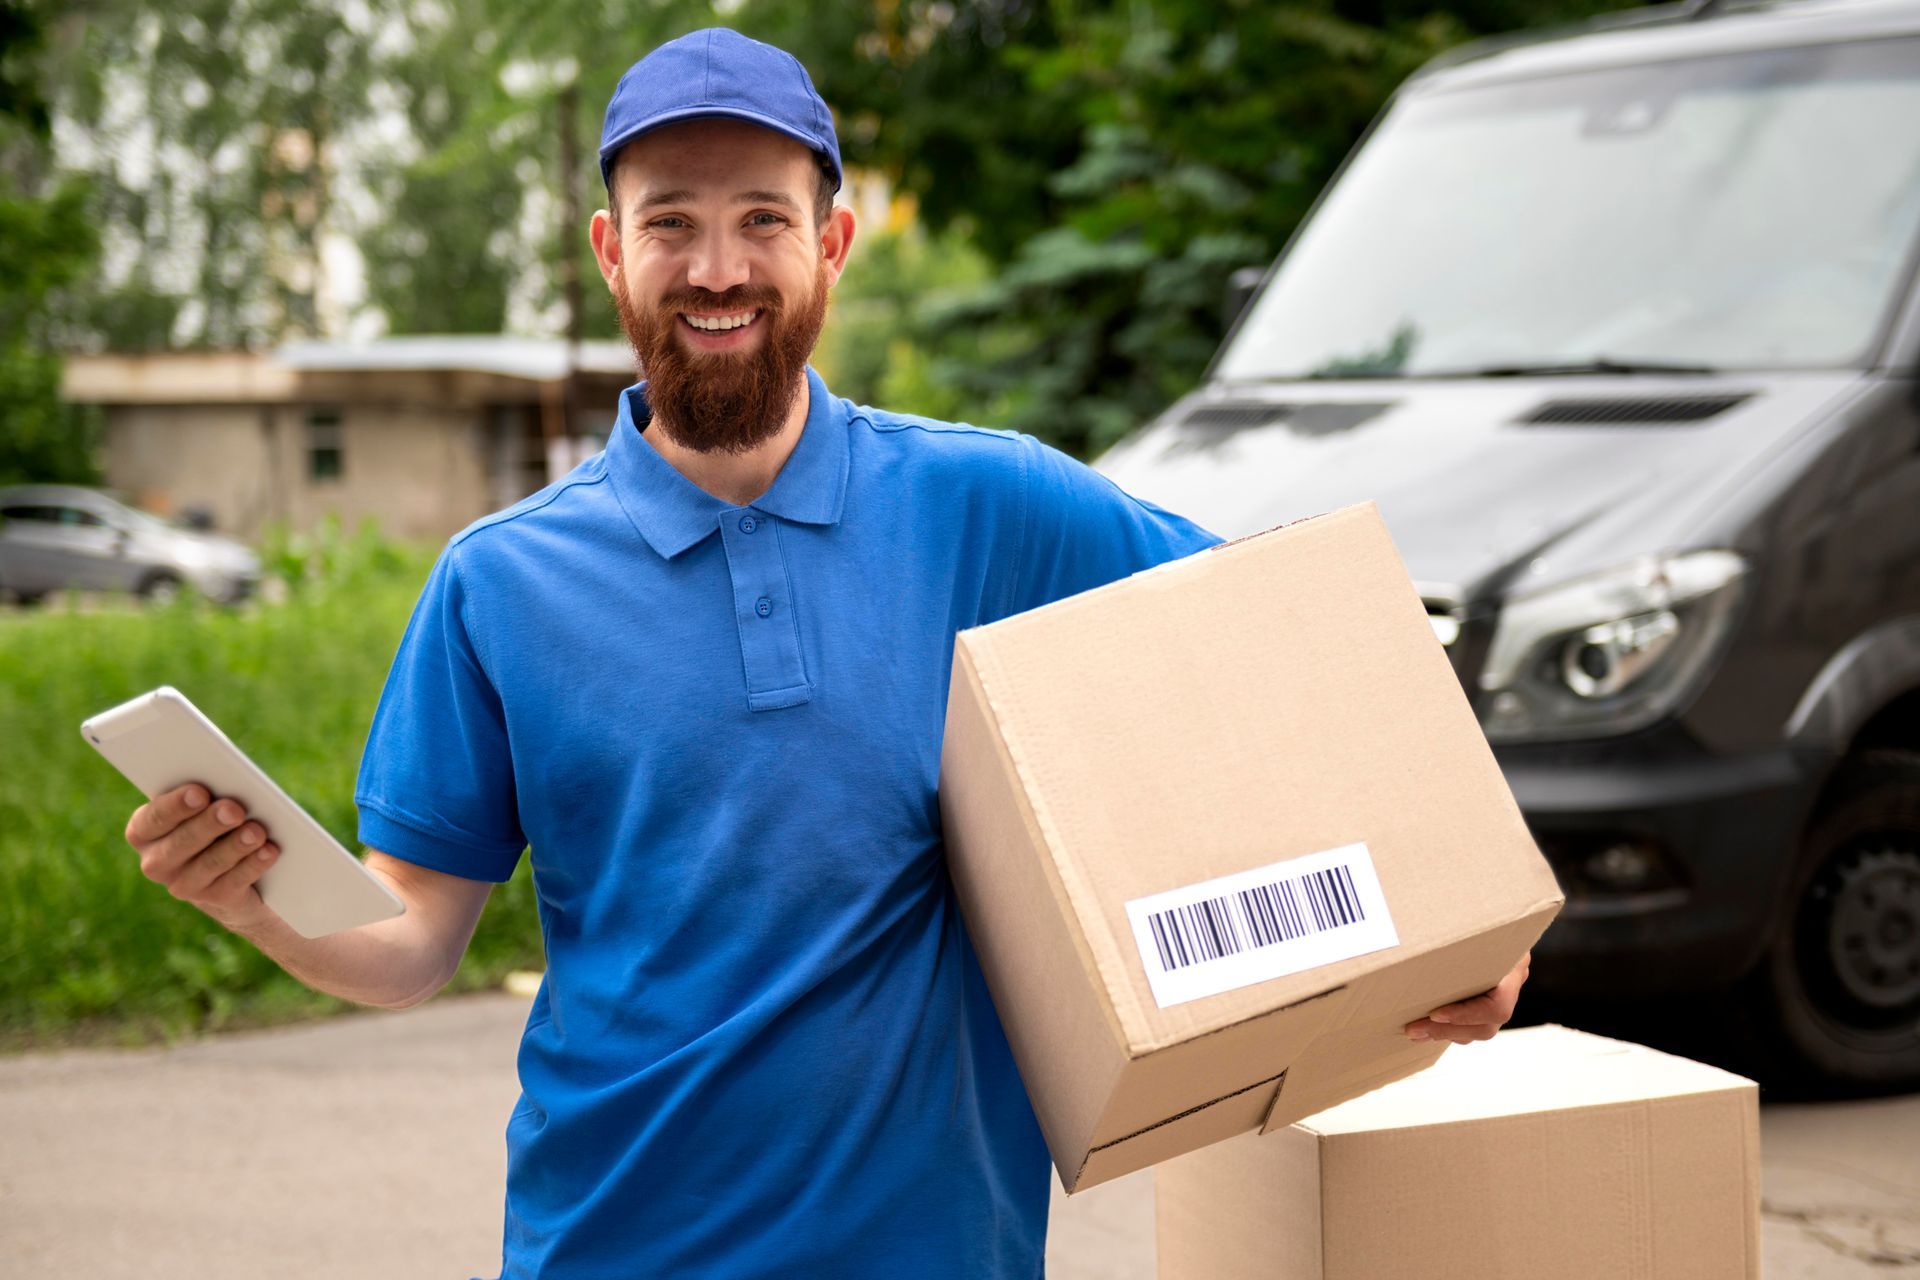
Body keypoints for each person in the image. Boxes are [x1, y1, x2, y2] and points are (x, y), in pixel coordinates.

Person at [120, 27, 1530, 1279]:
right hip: (611, 1244)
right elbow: (416, 933)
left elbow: (1289, 638)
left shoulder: (996, 508)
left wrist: (1449, 917)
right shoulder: (501, 582)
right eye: (670, 222)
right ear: (611, 251)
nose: (717, 268)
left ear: (831, 243)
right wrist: (254, 905)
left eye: (761, 220)